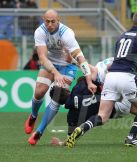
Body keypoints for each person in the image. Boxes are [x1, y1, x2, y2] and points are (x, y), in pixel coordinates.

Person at [65, 12, 137, 148]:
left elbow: (117, 63)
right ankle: (131, 137)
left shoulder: (122, 37)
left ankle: (80, 129)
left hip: (111, 77)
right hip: (126, 77)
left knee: (102, 116)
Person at [24, 9, 97, 145]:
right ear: (43, 20)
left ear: (59, 20)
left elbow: (81, 59)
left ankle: (39, 132)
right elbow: (42, 57)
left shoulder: (67, 34)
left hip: (67, 66)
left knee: (58, 95)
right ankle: (33, 115)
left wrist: (89, 81)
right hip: (50, 63)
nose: (50, 24)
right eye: (47, 21)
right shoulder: (40, 32)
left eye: (53, 21)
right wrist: (55, 73)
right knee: (39, 91)